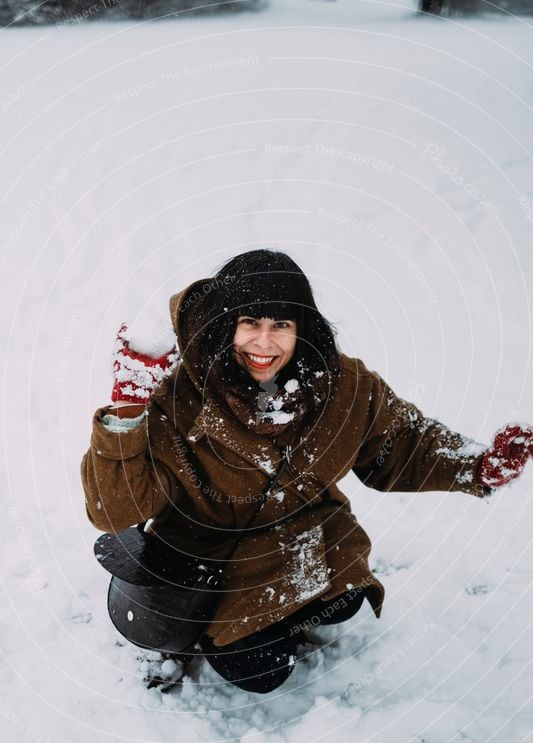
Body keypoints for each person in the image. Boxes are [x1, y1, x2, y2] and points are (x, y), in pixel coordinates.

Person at [81, 249, 533, 693]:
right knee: (262, 670)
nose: (264, 342)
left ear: (303, 329)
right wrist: (127, 413)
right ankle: (201, 635)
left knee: (343, 603)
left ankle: (285, 613)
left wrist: (477, 466)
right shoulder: (177, 392)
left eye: (281, 324)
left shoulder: (343, 385)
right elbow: (115, 509)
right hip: (205, 556)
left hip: (304, 535)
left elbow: (400, 444)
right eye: (250, 323)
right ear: (226, 327)